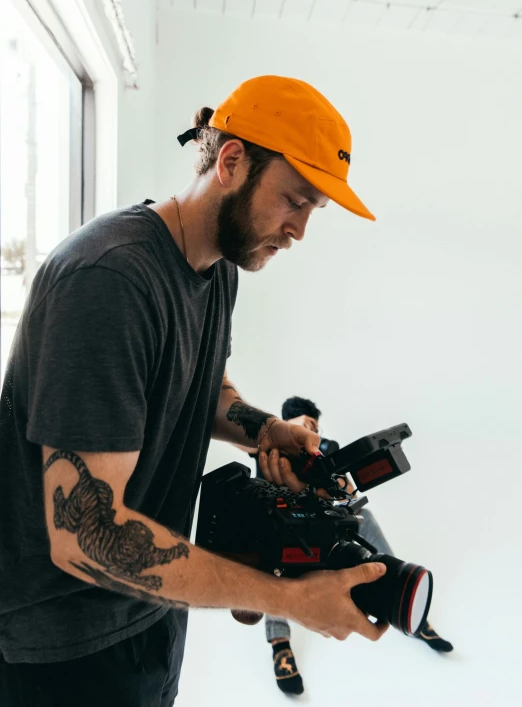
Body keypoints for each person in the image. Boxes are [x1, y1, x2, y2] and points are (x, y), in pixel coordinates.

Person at [0, 76, 388, 707]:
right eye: (294, 200)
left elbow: (199, 385)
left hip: (149, 615)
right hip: (64, 649)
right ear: (231, 161)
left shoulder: (215, 269)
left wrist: (267, 431)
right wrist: (291, 602)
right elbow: (85, 535)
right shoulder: (108, 283)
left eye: (313, 209)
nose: (299, 232)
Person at [246, 396, 453, 696]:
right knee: (273, 552)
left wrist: (340, 487)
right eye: (303, 422)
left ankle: (397, 586)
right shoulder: (268, 442)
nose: (309, 427)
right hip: (279, 523)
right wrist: (273, 434)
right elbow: (239, 433)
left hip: (321, 517)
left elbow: (346, 488)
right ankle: (280, 645)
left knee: (363, 515)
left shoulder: (326, 449)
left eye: (314, 425)